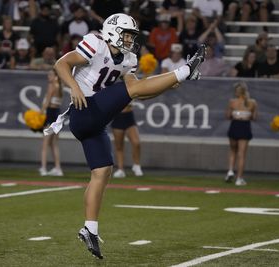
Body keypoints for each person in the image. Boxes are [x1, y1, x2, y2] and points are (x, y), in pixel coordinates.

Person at [44, 13, 205, 259]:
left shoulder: (128, 58)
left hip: (95, 121)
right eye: (127, 34)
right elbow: (61, 63)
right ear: (112, 31)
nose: (130, 40)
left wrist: (166, 85)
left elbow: (138, 92)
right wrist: (74, 87)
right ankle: (185, 70)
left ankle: (90, 228)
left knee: (102, 171)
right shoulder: (95, 43)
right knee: (134, 89)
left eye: (132, 35)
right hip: (84, 111)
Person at [225, 81, 257, 186]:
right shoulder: (252, 102)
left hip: (234, 126)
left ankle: (230, 171)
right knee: (241, 154)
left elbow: (228, 116)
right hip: (244, 126)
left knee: (233, 150)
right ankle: (239, 178)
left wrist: (236, 114)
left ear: (236, 92)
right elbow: (254, 117)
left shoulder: (232, 102)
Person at [39, 69, 63, 177]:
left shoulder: (52, 85)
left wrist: (40, 113)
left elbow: (47, 102)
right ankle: (58, 168)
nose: (48, 77)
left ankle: (43, 168)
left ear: (55, 76)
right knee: (54, 144)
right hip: (57, 115)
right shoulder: (60, 86)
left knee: (45, 144)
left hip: (51, 115)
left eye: (50, 75)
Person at [111, 104, 143, 178]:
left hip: (129, 116)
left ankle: (136, 166)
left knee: (136, 142)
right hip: (117, 117)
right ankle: (121, 169)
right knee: (119, 146)